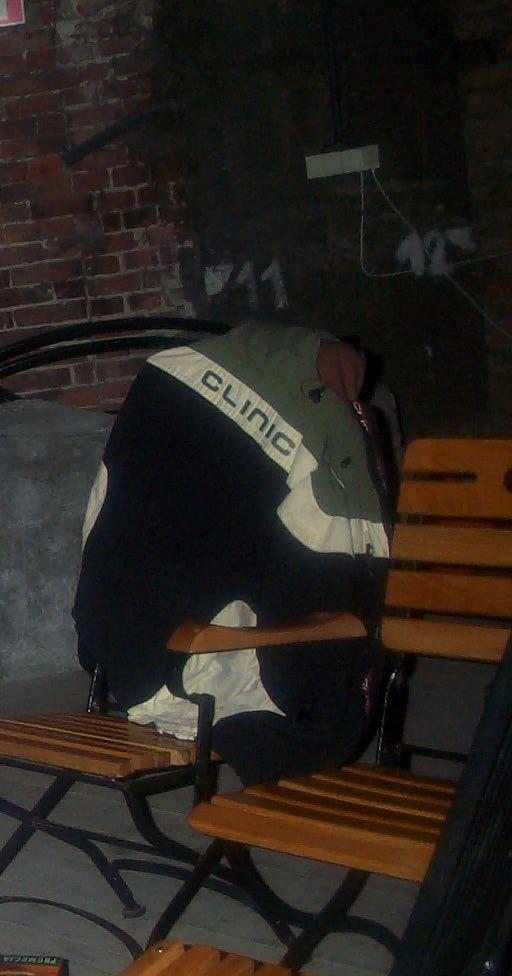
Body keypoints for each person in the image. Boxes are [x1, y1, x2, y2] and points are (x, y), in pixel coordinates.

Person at [75, 323, 387, 786]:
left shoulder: (172, 373)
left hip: (130, 660)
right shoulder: (325, 438)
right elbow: (343, 580)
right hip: (180, 669)